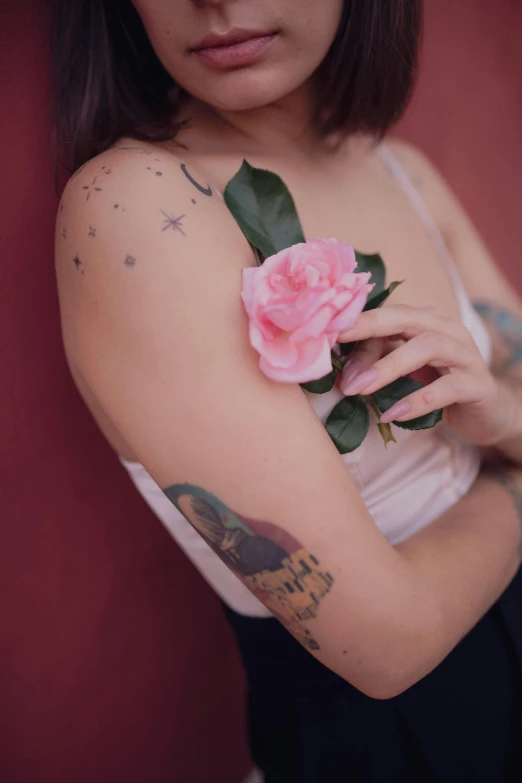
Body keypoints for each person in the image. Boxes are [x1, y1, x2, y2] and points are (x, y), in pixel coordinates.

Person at [51, 1, 522, 780]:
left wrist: (502, 412)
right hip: (392, 747)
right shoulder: (134, 210)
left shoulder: (400, 170)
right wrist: (513, 467)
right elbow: (386, 646)